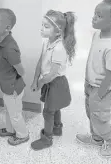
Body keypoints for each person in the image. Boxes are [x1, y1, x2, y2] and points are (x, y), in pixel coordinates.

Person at [76, 0, 111, 158]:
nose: (94, 18)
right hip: (91, 82)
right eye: (94, 14)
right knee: (92, 113)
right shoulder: (98, 34)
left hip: (104, 87)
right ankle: (97, 138)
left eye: (99, 16)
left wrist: (99, 93)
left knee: (100, 118)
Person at [30, 10, 76, 151]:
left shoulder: (59, 49)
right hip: (48, 81)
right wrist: (35, 79)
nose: (42, 28)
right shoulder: (46, 42)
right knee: (53, 108)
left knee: (48, 111)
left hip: (55, 83)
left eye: (46, 26)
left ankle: (47, 138)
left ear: (58, 32)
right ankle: (57, 128)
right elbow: (40, 62)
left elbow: (52, 75)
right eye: (42, 25)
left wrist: (40, 83)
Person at [0, 8, 29, 146]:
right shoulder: (0, 41)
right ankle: (10, 129)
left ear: (7, 28)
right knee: (9, 110)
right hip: (7, 86)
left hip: (12, 88)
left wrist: (12, 83)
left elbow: (21, 71)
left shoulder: (9, 48)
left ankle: (22, 135)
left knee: (15, 114)